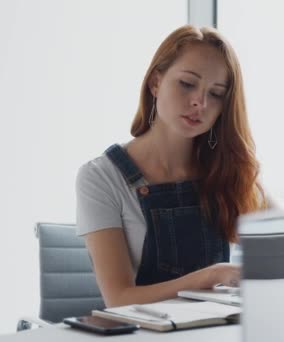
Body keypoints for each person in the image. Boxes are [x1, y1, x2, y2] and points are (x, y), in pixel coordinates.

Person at [76, 25, 270, 307]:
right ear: (156, 82)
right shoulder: (101, 178)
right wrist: (212, 276)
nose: (199, 102)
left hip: (218, 332)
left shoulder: (227, 172)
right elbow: (119, 299)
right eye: (187, 83)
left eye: (216, 94)